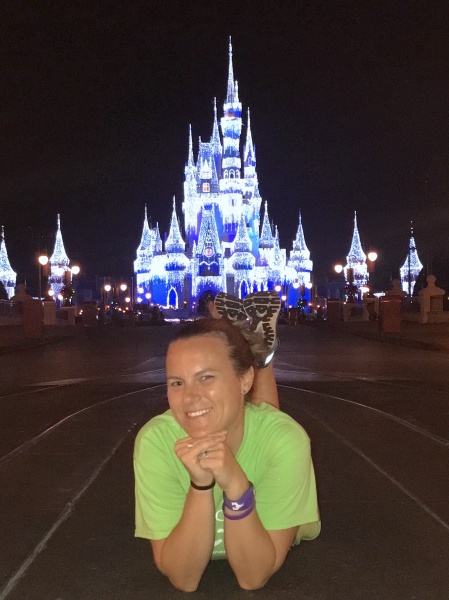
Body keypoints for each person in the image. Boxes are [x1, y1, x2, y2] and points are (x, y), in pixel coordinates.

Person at [134, 292, 320, 591]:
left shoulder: (287, 440)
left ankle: (258, 356)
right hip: (249, 407)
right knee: (254, 419)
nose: (190, 397)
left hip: (268, 498)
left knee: (267, 427)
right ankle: (252, 348)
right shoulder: (156, 440)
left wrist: (236, 486)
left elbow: (253, 576)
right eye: (177, 382)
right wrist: (200, 485)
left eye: (206, 377)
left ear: (246, 380)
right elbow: (183, 579)